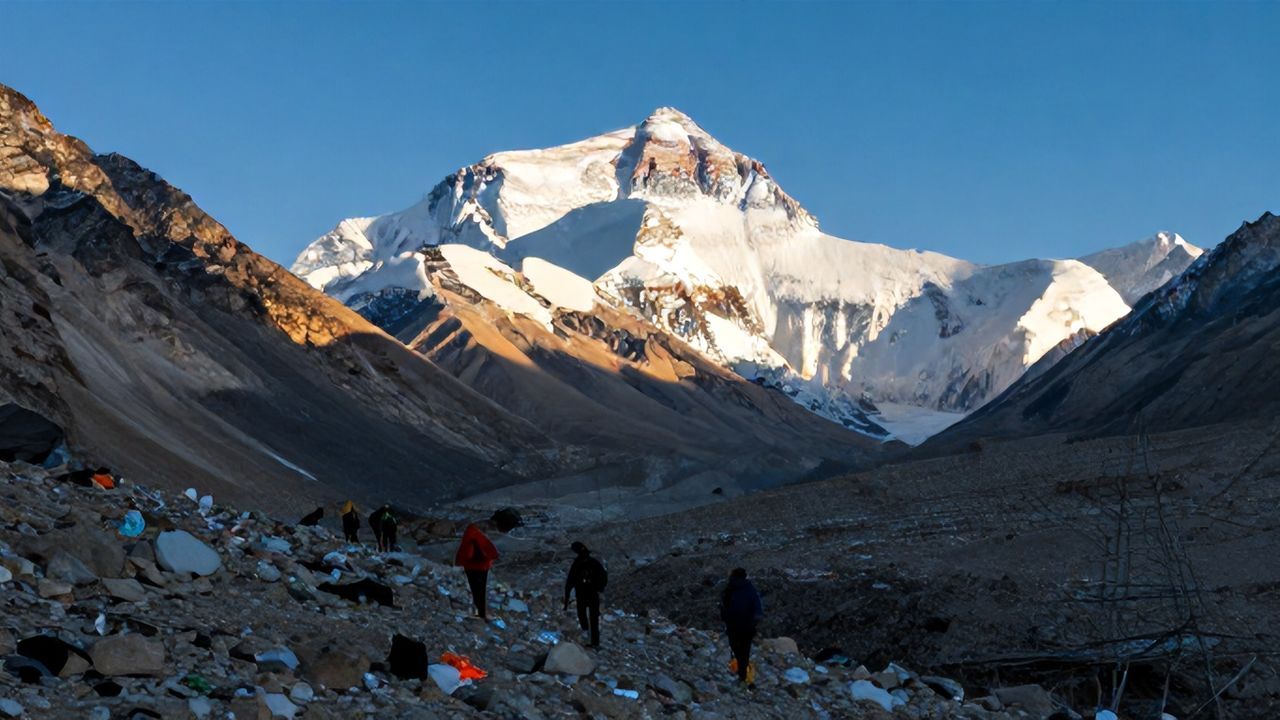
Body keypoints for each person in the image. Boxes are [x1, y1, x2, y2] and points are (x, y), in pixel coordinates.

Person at [721, 567, 763, 687]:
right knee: (744, 652)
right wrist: (753, 624)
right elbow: (758, 611)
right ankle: (743, 676)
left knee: (737, 649)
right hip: (746, 627)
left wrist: (725, 618)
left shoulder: (730, 588)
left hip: (733, 626)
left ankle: (742, 674)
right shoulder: (751, 590)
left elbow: (723, 606)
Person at [564, 541, 608, 648]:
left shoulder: (577, 564)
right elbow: (604, 577)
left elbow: (570, 582)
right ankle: (594, 642)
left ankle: (589, 639)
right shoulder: (593, 563)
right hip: (591, 594)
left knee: (584, 616)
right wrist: (599, 588)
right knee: (592, 618)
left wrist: (567, 598)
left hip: (583, 594)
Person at [454, 523, 499, 619]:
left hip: (472, 566)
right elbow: (491, 551)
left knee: (475, 590)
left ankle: (479, 612)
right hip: (479, 566)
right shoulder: (477, 536)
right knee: (479, 590)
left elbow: (465, 553)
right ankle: (481, 613)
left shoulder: (471, 535)